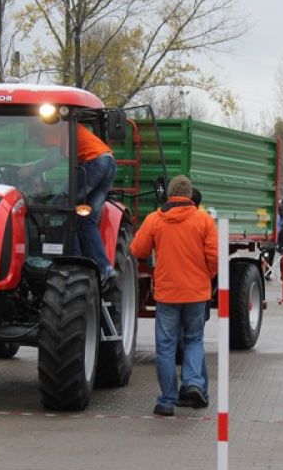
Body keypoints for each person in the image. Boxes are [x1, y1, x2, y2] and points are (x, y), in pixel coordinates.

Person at [130, 175, 217, 417]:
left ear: (169, 195)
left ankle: (167, 401)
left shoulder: (156, 220)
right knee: (194, 340)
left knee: (166, 347)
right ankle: (193, 384)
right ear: (190, 196)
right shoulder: (204, 221)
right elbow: (214, 257)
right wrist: (204, 278)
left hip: (167, 295)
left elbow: (137, 249)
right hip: (196, 294)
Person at [20, 122, 117, 286]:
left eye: (37, 141)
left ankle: (73, 262)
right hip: (108, 163)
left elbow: (53, 160)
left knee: (59, 208)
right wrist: (31, 166)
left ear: (38, 133)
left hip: (93, 164)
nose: (40, 144)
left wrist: (31, 170)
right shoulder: (62, 130)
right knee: (86, 220)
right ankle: (105, 268)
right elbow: (53, 158)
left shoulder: (48, 127)